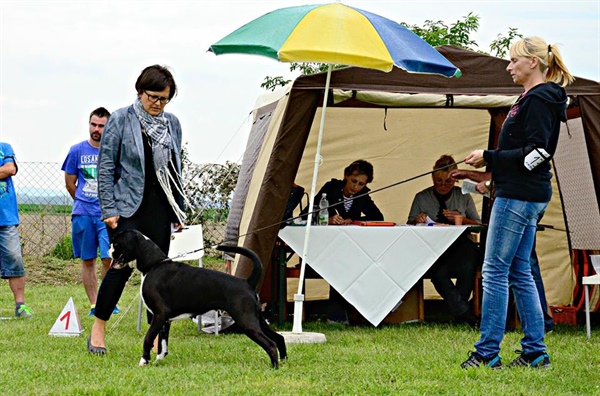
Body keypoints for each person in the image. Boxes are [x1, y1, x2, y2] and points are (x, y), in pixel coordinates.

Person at [460, 37, 573, 369]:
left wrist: (489, 156)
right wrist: (491, 177)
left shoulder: (538, 99)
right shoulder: (533, 99)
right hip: (525, 193)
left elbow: (539, 153)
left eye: (513, 61)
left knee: (494, 270)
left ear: (533, 63)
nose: (509, 66)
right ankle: (535, 352)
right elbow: (531, 153)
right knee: (520, 270)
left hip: (520, 197)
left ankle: (487, 353)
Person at [88, 65, 186, 354]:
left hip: (161, 208)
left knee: (161, 274)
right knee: (119, 268)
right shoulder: (120, 119)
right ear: (140, 91)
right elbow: (105, 168)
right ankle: (98, 329)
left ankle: (157, 338)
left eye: (164, 99)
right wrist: (109, 208)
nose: (157, 103)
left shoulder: (172, 124)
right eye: (153, 96)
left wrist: (177, 209)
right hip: (126, 208)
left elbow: (176, 168)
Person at [450, 168, 553, 333]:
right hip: (533, 197)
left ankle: (492, 339)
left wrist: (489, 181)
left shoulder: (523, 149)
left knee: (499, 269)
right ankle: (535, 335)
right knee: (522, 268)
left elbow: (513, 167)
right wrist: (471, 174)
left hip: (517, 200)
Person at [301, 159, 383, 323]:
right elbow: (306, 214)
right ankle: (336, 316)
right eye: (353, 181)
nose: (355, 187)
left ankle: (354, 313)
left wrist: (352, 219)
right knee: (341, 266)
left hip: (349, 249)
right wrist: (327, 218)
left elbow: (378, 217)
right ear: (346, 176)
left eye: (361, 184)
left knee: (354, 264)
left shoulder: (362, 194)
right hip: (324, 248)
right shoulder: (330, 189)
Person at [407, 155, 482, 326]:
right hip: (434, 247)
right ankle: (464, 315)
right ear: (433, 178)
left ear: (455, 180)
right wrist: (417, 220)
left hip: (462, 245)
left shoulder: (463, 196)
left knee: (468, 267)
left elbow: (478, 223)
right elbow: (409, 224)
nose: (442, 185)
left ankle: (460, 312)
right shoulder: (422, 197)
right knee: (438, 273)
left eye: (447, 182)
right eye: (438, 181)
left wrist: (461, 218)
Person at [62, 107, 120, 317]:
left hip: (107, 215)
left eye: (101, 126)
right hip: (83, 213)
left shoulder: (115, 152)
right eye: (93, 124)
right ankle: (94, 304)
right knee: (88, 260)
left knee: (109, 258)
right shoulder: (76, 151)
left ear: (109, 127)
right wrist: (83, 203)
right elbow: (70, 183)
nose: (96, 129)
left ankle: (107, 301)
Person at [0, 142, 33, 318]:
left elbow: (10, 169)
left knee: (14, 258)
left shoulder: (4, 148)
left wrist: (4, 169)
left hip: (5, 219)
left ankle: (20, 306)